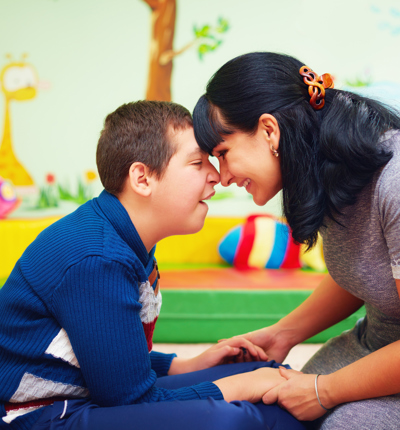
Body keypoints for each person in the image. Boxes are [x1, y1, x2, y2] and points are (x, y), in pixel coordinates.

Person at [0, 100, 306, 430]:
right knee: (230, 416)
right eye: (197, 163)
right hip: (39, 415)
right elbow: (131, 400)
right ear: (142, 178)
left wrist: (187, 366)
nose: (216, 176)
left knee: (261, 378)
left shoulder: (123, 238)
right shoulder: (98, 259)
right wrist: (241, 388)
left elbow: (114, 361)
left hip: (85, 395)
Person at [192, 51, 400, 430]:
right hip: (376, 344)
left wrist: (325, 391)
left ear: (269, 130)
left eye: (223, 153)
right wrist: (282, 334)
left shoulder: (394, 180)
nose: (221, 177)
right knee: (278, 409)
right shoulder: (330, 167)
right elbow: (367, 270)